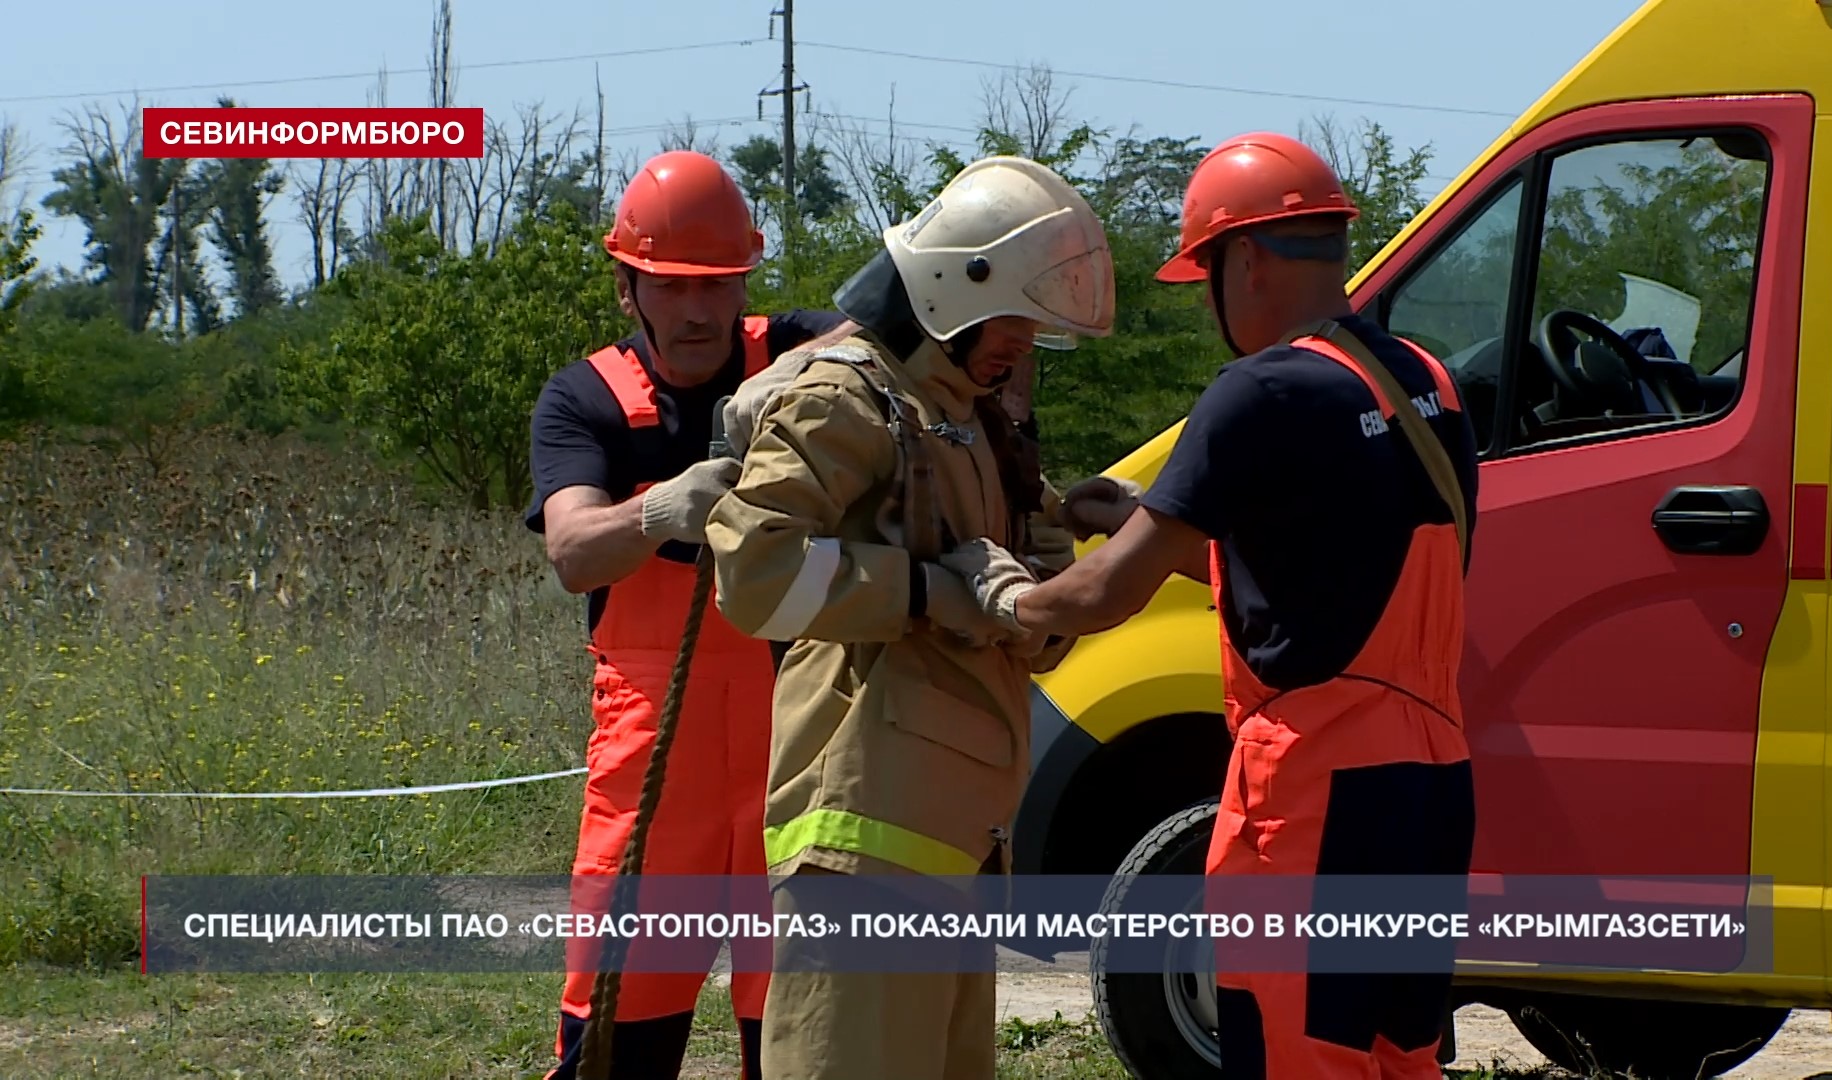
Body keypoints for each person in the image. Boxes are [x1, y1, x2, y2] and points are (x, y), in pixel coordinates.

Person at [937, 132, 1482, 1080]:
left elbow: (1105, 596)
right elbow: (1339, 571)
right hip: (1431, 783)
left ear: (1245, 258)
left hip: (1316, 792)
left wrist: (998, 595)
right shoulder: (1422, 381)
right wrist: (1156, 521)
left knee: (1293, 1053)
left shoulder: (1259, 390)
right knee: (1398, 1056)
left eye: (1207, 277)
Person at [700, 155, 1113, 1080]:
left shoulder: (963, 419)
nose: (1022, 349)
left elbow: (1025, 623)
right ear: (950, 293)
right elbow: (755, 574)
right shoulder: (844, 399)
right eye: (1013, 325)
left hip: (956, 851)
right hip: (861, 851)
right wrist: (929, 593)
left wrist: (1054, 557)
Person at [525, 149, 846, 1080]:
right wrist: (661, 509)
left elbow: (898, 332)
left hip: (800, 760)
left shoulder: (794, 348)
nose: (699, 309)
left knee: (797, 1046)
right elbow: (573, 550)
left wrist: (776, 388)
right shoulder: (583, 399)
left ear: (745, 276)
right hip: (653, 783)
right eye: (671, 285)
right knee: (618, 1043)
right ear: (628, 286)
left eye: (719, 283)